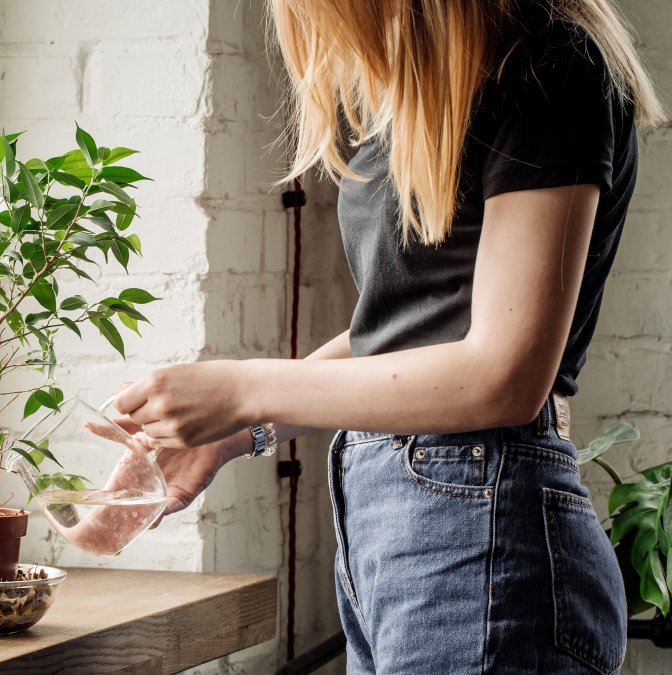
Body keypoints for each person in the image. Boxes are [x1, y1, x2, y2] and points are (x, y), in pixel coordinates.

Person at [112, 0, 665, 672]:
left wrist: (244, 387)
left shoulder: (551, 62)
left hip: (483, 531)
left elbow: (504, 376)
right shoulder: (434, 94)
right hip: (398, 536)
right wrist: (233, 430)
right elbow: (402, 333)